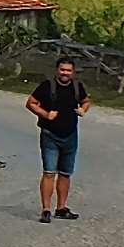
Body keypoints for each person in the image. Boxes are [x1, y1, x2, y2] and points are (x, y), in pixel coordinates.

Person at [26, 58, 91, 222]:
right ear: (57, 70)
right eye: (62, 70)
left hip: (70, 135)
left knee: (65, 173)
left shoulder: (77, 86)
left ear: (73, 72)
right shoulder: (47, 86)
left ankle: (61, 208)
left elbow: (86, 101)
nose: (65, 73)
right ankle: (46, 210)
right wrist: (46, 115)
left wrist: (83, 109)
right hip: (50, 135)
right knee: (49, 173)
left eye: (68, 70)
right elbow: (31, 103)